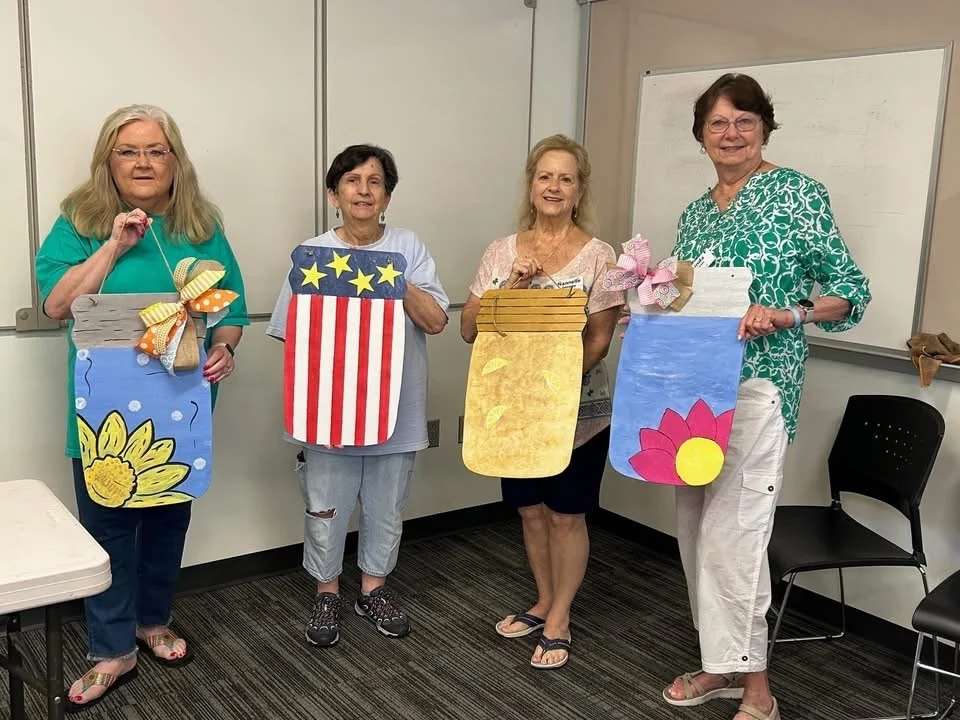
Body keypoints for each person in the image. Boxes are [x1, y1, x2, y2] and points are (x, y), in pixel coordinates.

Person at [657, 74, 871, 720]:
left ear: (764, 128)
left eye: (744, 121)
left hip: (760, 386)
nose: (731, 134)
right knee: (694, 530)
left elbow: (851, 292)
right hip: (694, 392)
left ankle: (758, 689)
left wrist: (789, 312)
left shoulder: (799, 195)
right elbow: (683, 297)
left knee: (736, 537)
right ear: (701, 136)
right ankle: (719, 666)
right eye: (718, 124)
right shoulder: (694, 214)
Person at [34, 104, 248, 712]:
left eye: (157, 150)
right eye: (129, 151)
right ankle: (111, 649)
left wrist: (226, 350)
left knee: (165, 525)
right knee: (107, 531)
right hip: (105, 417)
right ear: (109, 160)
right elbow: (56, 305)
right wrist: (111, 246)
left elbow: (230, 313)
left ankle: (151, 622)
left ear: (175, 160)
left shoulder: (202, 226)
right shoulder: (79, 220)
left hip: (180, 404)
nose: (144, 162)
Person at [266, 144, 449, 647]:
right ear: (334, 193)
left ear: (387, 194)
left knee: (387, 506)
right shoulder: (313, 253)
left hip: (397, 407)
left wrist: (394, 277)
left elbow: (436, 320)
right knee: (326, 505)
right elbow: (290, 333)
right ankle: (327, 591)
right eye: (352, 180)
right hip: (329, 407)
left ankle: (373, 589)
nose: (363, 191)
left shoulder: (409, 247)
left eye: (375, 182)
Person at [460, 134, 621, 670]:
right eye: (545, 176)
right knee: (531, 512)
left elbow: (600, 336)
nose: (555, 186)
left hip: (577, 412)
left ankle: (560, 617)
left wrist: (555, 385)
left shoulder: (600, 256)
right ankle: (544, 600)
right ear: (532, 186)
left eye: (566, 178)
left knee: (565, 516)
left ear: (579, 190)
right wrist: (511, 283)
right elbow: (469, 328)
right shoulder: (501, 252)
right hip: (515, 411)